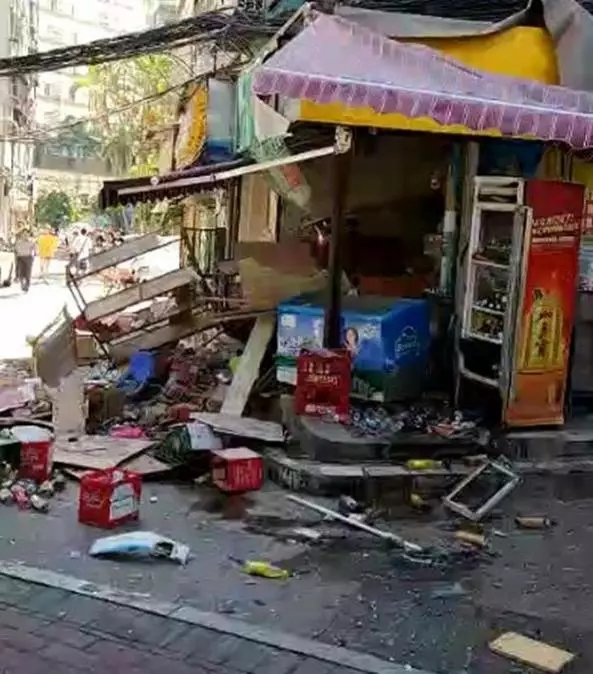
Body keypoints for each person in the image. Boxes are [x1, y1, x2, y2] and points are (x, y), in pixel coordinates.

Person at [14, 225, 35, 292]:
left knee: (28, 273)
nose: (25, 235)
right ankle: (22, 284)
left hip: (28, 258)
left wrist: (32, 256)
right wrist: (16, 258)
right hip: (20, 258)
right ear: (22, 234)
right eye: (24, 233)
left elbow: (34, 250)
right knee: (21, 272)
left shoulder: (31, 242)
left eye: (27, 233)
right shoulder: (18, 242)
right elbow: (15, 250)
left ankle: (27, 285)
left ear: (29, 234)